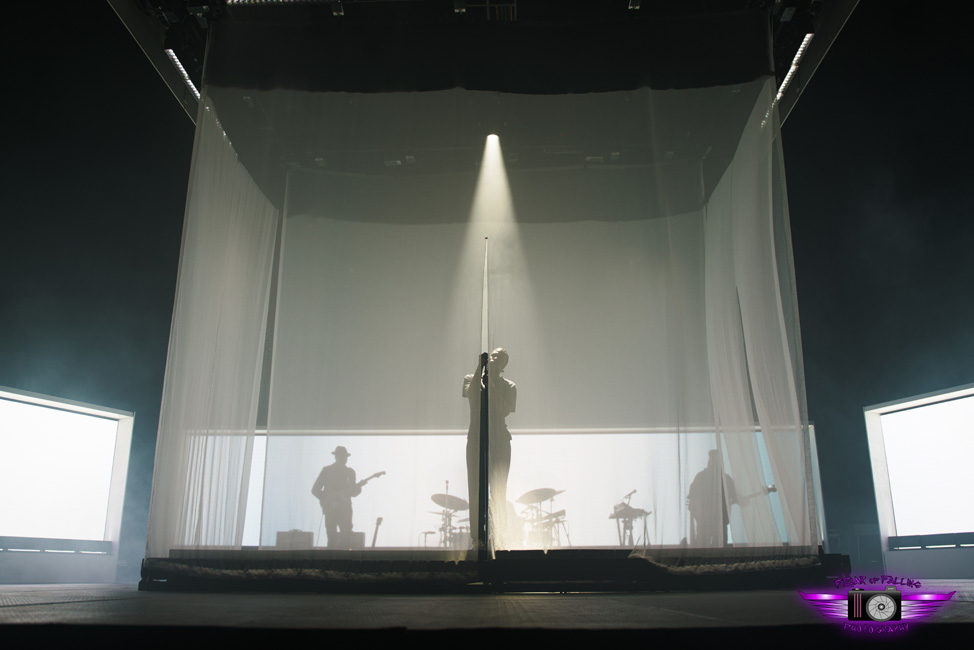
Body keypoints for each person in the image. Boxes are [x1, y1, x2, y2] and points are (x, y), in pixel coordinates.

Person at [463, 347, 516, 548]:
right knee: (475, 488)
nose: (493, 360)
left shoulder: (510, 386)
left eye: (498, 358)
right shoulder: (472, 378)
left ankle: (500, 536)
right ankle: (477, 538)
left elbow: (504, 410)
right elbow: (470, 395)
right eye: (492, 356)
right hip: (476, 438)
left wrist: (491, 384)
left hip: (500, 439)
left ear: (504, 365)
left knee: (499, 489)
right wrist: (480, 368)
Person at [311, 446, 361, 548]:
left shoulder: (350, 472)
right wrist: (328, 500)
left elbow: (353, 492)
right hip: (331, 510)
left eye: (345, 456)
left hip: (345, 509)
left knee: (346, 536)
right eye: (342, 456)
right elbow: (315, 489)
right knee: (331, 538)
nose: (344, 458)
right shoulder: (326, 470)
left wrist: (358, 488)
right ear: (336, 457)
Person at [687, 449, 738, 547]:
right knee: (702, 548)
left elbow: (737, 498)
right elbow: (693, 499)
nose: (712, 462)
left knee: (718, 548)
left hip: (719, 521)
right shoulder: (701, 476)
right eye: (712, 459)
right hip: (704, 520)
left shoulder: (726, 479)